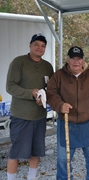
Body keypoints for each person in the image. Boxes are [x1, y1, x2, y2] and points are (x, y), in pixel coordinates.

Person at [47, 46, 89, 180]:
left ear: (83, 60)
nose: (76, 62)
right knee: (63, 161)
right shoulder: (58, 76)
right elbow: (51, 94)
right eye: (73, 58)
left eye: (79, 59)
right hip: (67, 124)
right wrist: (60, 105)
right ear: (67, 59)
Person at [6, 33, 54, 180]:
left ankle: (32, 177)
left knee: (36, 152)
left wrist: (45, 98)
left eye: (43, 46)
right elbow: (10, 86)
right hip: (21, 116)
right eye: (37, 45)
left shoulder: (47, 66)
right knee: (16, 152)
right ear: (30, 45)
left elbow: (51, 88)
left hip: (39, 117)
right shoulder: (18, 62)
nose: (40, 48)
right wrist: (30, 93)